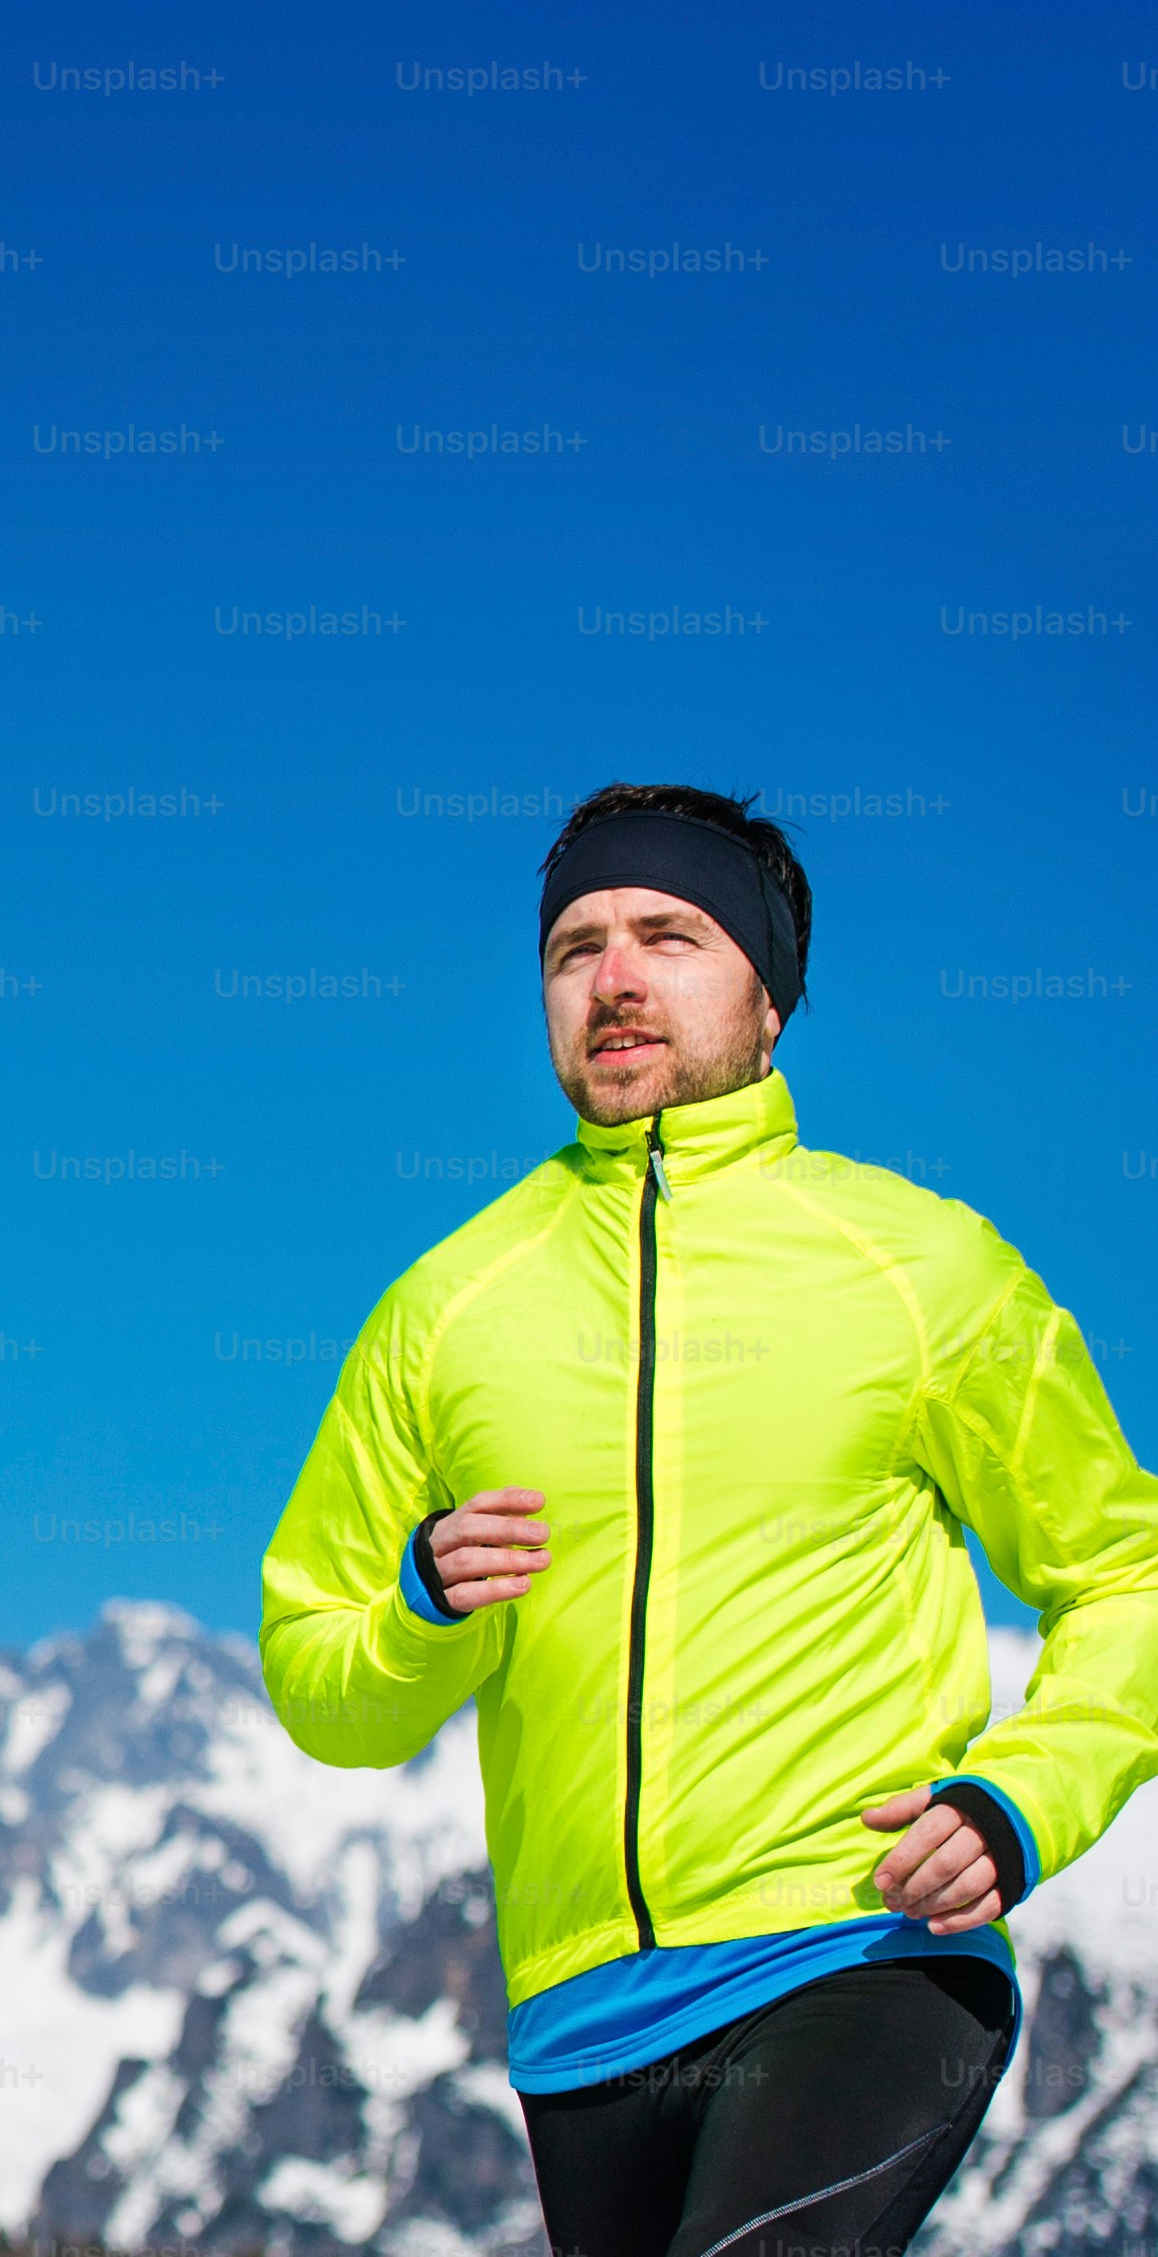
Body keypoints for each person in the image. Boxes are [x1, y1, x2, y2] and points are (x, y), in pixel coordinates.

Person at [261, 783, 1158, 2257]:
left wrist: (1023, 1799)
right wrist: (419, 1610)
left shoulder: (918, 1269)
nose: (611, 979)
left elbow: (1124, 1573)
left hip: (859, 1942)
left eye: (666, 935)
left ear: (767, 997)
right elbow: (315, 1677)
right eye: (571, 950)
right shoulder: (441, 1312)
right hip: (578, 2019)